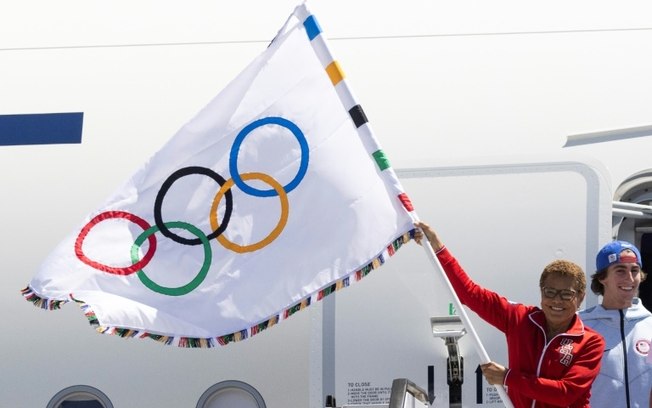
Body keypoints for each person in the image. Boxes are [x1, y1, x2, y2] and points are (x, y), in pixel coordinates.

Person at [414, 222, 605, 408]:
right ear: (541, 292)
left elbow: (564, 394)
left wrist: (507, 377)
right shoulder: (519, 318)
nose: (557, 301)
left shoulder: (591, 342)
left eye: (566, 294)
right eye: (550, 292)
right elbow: (468, 293)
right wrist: (438, 249)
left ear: (580, 297)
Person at [579, 240, 652, 408]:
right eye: (620, 271)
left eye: (635, 270)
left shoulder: (650, 325)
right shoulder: (579, 326)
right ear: (602, 277)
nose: (630, 278)